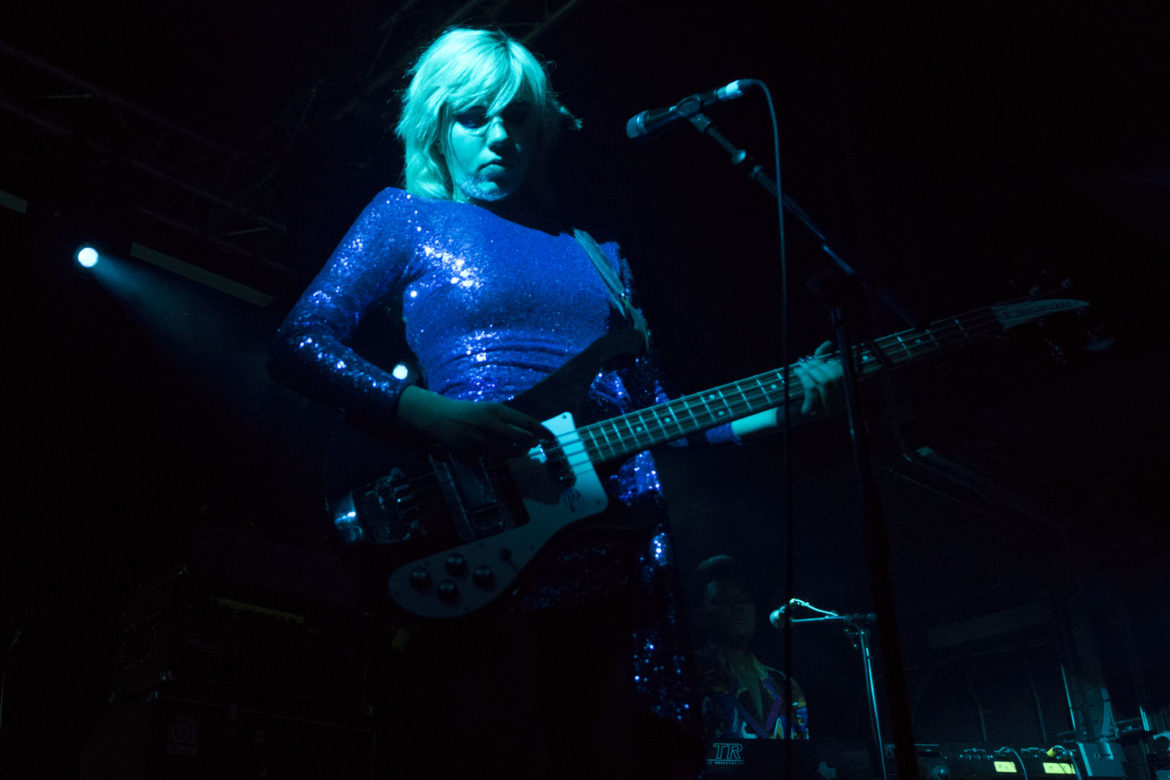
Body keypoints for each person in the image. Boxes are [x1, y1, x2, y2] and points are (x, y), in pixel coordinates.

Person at [268, 27, 838, 780]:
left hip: (621, 544)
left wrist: (779, 406)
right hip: (485, 533)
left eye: (517, 117)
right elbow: (299, 341)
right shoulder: (405, 217)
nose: (498, 136)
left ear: (543, 127)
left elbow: (656, 413)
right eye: (473, 117)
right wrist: (423, 410)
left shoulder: (598, 255)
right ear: (436, 123)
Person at [691, 555, 810, 741]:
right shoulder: (692, 671)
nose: (737, 607)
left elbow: (804, 754)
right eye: (723, 599)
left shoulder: (784, 684)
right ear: (700, 616)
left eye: (743, 598)